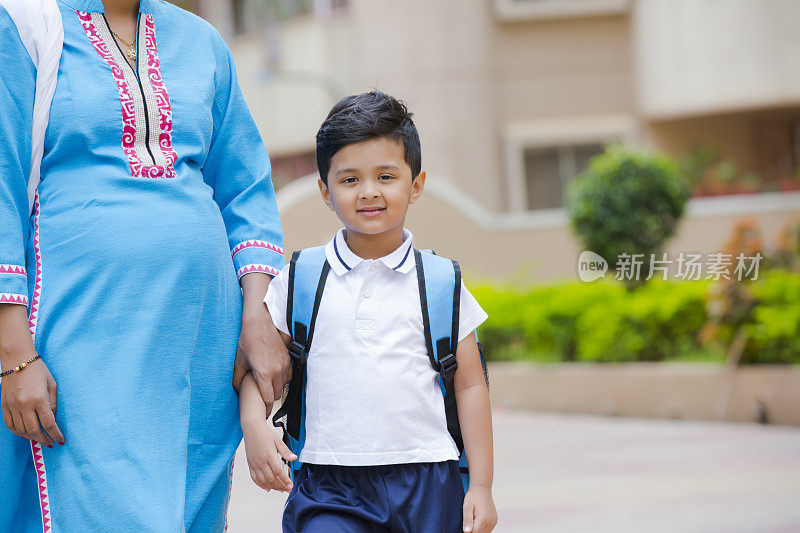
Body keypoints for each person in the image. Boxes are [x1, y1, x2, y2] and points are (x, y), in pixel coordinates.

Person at [0, 0, 290, 530]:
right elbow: (1, 184)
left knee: (189, 511)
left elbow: (245, 186)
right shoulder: (25, 26)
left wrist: (257, 315)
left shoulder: (201, 41)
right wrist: (14, 354)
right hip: (85, 336)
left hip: (200, 347)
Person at [239, 91, 499, 533]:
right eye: (349, 179)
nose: (369, 192)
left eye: (386, 176)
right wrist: (254, 427)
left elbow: (471, 385)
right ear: (325, 189)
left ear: (415, 185)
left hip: (428, 478)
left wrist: (482, 487)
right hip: (328, 483)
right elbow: (257, 369)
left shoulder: (439, 282)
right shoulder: (302, 278)